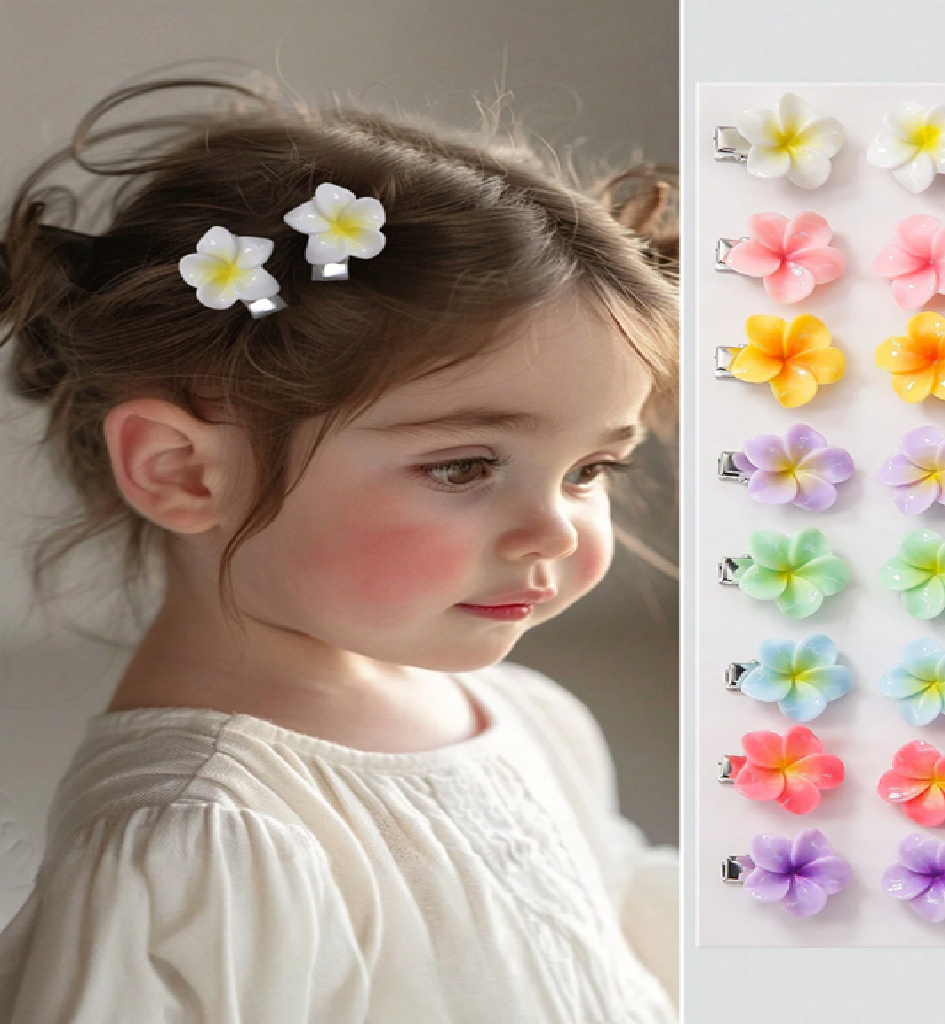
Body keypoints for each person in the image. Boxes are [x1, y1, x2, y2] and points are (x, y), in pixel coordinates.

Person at [0, 73, 679, 1023]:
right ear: (184, 472)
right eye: (464, 466)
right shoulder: (206, 842)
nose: (556, 530)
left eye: (589, 470)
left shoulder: (523, 716)